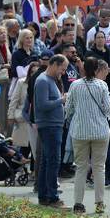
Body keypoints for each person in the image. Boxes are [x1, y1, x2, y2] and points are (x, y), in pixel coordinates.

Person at [65, 57, 110, 214]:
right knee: (99, 167)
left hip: (80, 130)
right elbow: (107, 109)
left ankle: (78, 203)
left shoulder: (75, 85)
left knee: (81, 167)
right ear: (97, 69)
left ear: (84, 69)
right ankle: (99, 202)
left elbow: (69, 107)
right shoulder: (102, 85)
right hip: (100, 130)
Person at [33, 54, 67, 207]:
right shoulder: (43, 81)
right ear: (54, 64)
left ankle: (45, 195)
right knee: (52, 161)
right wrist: (61, 100)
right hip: (49, 126)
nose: (63, 72)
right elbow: (42, 105)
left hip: (54, 125)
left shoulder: (50, 80)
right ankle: (52, 196)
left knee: (47, 161)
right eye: (62, 68)